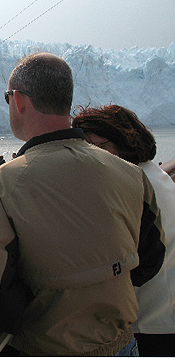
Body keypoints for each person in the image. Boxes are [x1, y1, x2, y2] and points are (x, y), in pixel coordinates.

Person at [0, 52, 165, 356]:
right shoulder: (130, 174)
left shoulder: (2, 187)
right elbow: (150, 259)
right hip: (123, 346)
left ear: (19, 101)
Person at [72, 104, 175, 356]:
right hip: (164, 315)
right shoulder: (155, 176)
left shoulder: (133, 188)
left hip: (148, 324)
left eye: (97, 147)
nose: (89, 156)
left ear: (124, 142)